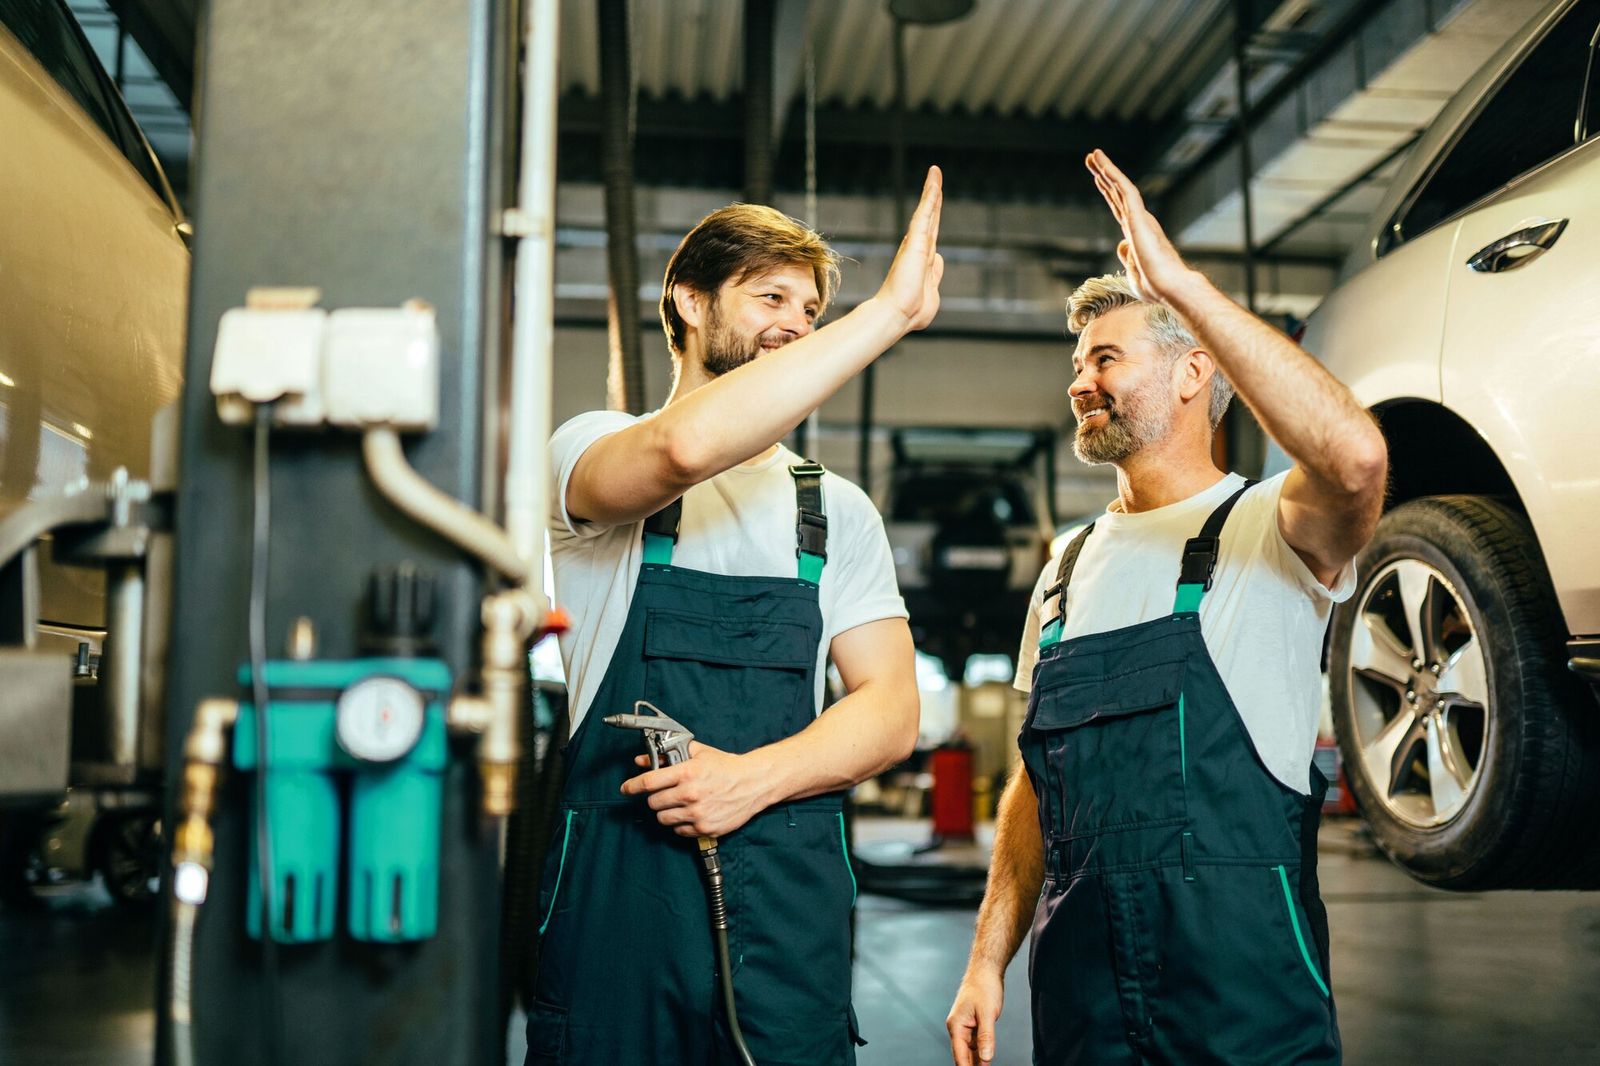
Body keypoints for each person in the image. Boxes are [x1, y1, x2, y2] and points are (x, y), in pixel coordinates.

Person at [945, 151, 1386, 1066]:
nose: (1079, 381)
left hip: (1241, 1004)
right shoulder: (1065, 567)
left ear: (1194, 374)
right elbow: (1036, 785)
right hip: (1080, 1006)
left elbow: (1356, 461)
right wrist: (988, 959)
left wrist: (1181, 285)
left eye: (1106, 357)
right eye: (1076, 362)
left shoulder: (1268, 527)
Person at [527, 169, 946, 1065]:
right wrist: (892, 314)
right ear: (687, 299)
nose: (796, 322)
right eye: (770, 296)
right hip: (620, 913)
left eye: (812, 308)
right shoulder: (592, 451)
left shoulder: (834, 510)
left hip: (788, 916)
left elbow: (891, 710)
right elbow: (684, 446)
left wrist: (750, 780)